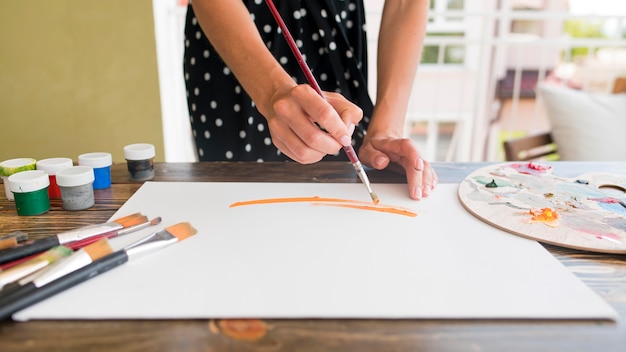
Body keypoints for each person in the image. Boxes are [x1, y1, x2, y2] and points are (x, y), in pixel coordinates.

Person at [183, 0, 437, 200]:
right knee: (238, 211)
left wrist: (386, 129)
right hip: (236, 37)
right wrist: (270, 91)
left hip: (334, 32)